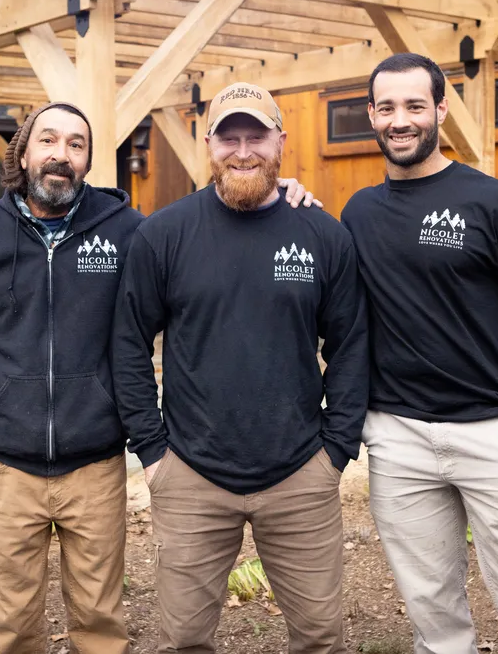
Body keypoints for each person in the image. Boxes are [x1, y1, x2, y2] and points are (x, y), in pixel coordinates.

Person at [0, 100, 319, 654]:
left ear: (90, 160)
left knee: (99, 622)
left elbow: (202, 249)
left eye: (76, 144)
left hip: (94, 464)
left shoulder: (126, 233)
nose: (60, 156)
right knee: (12, 626)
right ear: (22, 151)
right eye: (48, 141)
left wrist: (281, 201)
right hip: (5, 467)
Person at [339, 53, 498, 654]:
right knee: (434, 620)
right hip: (399, 442)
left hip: (497, 434)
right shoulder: (358, 214)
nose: (401, 120)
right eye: (388, 107)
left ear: (441, 110)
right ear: (371, 115)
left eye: (415, 106)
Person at [111, 82, 369, 654]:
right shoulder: (165, 234)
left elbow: (350, 344)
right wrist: (152, 451)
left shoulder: (323, 235)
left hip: (301, 472)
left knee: (321, 637)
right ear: (209, 143)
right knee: (184, 638)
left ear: (281, 140)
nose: (244, 150)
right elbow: (128, 344)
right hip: (191, 474)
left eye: (258, 136)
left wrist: (336, 449)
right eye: (230, 137)